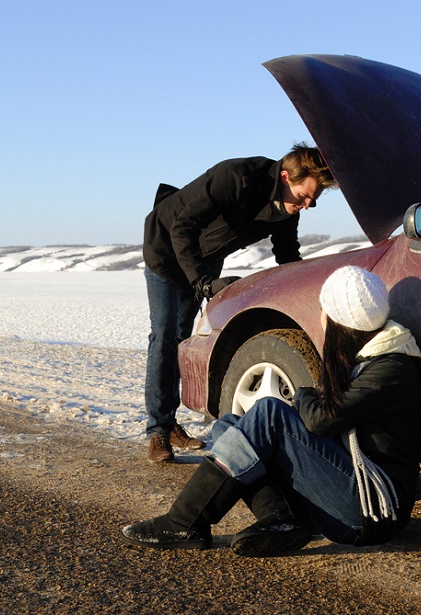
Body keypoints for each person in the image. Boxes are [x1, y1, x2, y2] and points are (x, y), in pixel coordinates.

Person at [121, 266, 421, 556]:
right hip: (349, 492)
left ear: (340, 321)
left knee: (269, 414)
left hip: (369, 514)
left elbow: (320, 418)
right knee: (229, 426)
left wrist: (303, 393)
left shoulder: (391, 369)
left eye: (325, 310)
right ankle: (283, 519)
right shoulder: (369, 358)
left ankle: (184, 520)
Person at [141, 143, 337, 463]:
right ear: (286, 177)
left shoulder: (286, 211)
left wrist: (308, 294)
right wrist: (202, 283)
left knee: (181, 339)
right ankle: (158, 431)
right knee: (163, 335)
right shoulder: (237, 177)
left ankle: (171, 423)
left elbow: (287, 257)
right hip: (165, 247)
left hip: (205, 259)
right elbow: (182, 227)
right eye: (304, 196)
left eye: (313, 201)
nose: (306, 205)